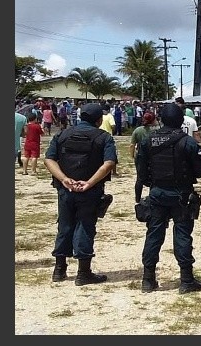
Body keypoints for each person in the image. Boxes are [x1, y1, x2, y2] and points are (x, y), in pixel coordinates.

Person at [135, 103, 201, 294]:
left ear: (161, 119)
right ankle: (186, 280)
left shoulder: (147, 140)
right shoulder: (188, 142)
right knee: (182, 234)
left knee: (154, 234)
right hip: (181, 195)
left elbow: (141, 172)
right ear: (181, 121)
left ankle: (148, 279)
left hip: (157, 193)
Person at [44, 102, 116, 285]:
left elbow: (49, 159)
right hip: (90, 191)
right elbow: (109, 164)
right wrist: (90, 183)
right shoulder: (103, 137)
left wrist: (64, 179)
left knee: (64, 225)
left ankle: (59, 270)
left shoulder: (62, 134)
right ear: (99, 120)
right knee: (85, 227)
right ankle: (83, 273)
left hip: (65, 190)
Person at [130, 112, 158, 203]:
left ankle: (137, 199)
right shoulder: (157, 130)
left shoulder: (138, 130)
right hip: (153, 156)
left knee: (139, 178)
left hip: (140, 156)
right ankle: (152, 197)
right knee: (154, 177)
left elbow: (132, 145)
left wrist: (132, 155)